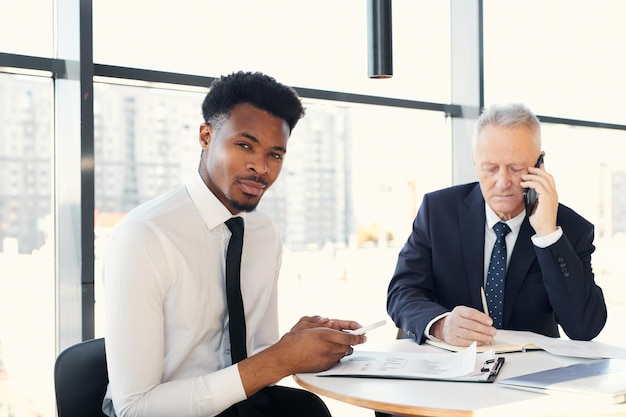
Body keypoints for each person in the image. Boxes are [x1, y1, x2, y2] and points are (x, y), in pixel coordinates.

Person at [102, 71, 366, 417]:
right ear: (206, 136)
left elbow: (257, 352)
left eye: (275, 155)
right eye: (245, 145)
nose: (261, 168)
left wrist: (295, 344)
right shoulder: (145, 236)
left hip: (244, 405)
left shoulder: (263, 231)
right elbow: (135, 408)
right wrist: (279, 359)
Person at [387, 102, 607, 348]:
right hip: (452, 369)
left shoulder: (569, 229)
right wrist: (441, 325)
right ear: (475, 164)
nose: (502, 182)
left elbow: (585, 328)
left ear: (539, 164)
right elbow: (401, 292)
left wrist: (547, 235)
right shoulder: (437, 212)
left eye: (516, 168)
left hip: (531, 375)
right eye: (490, 168)